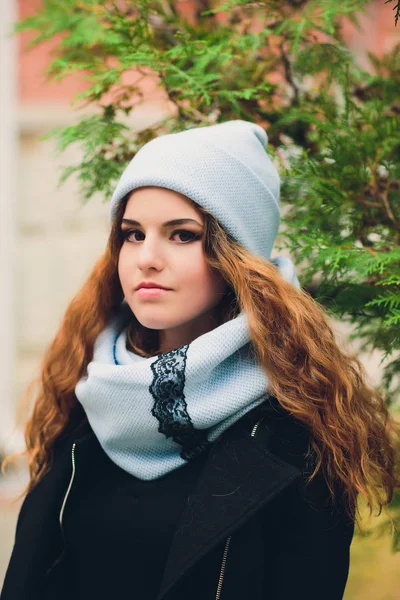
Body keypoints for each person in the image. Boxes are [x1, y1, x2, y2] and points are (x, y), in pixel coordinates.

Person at [1, 120, 399, 600]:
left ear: (238, 258)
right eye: (132, 234)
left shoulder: (297, 436)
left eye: (182, 235)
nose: (147, 257)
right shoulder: (86, 392)